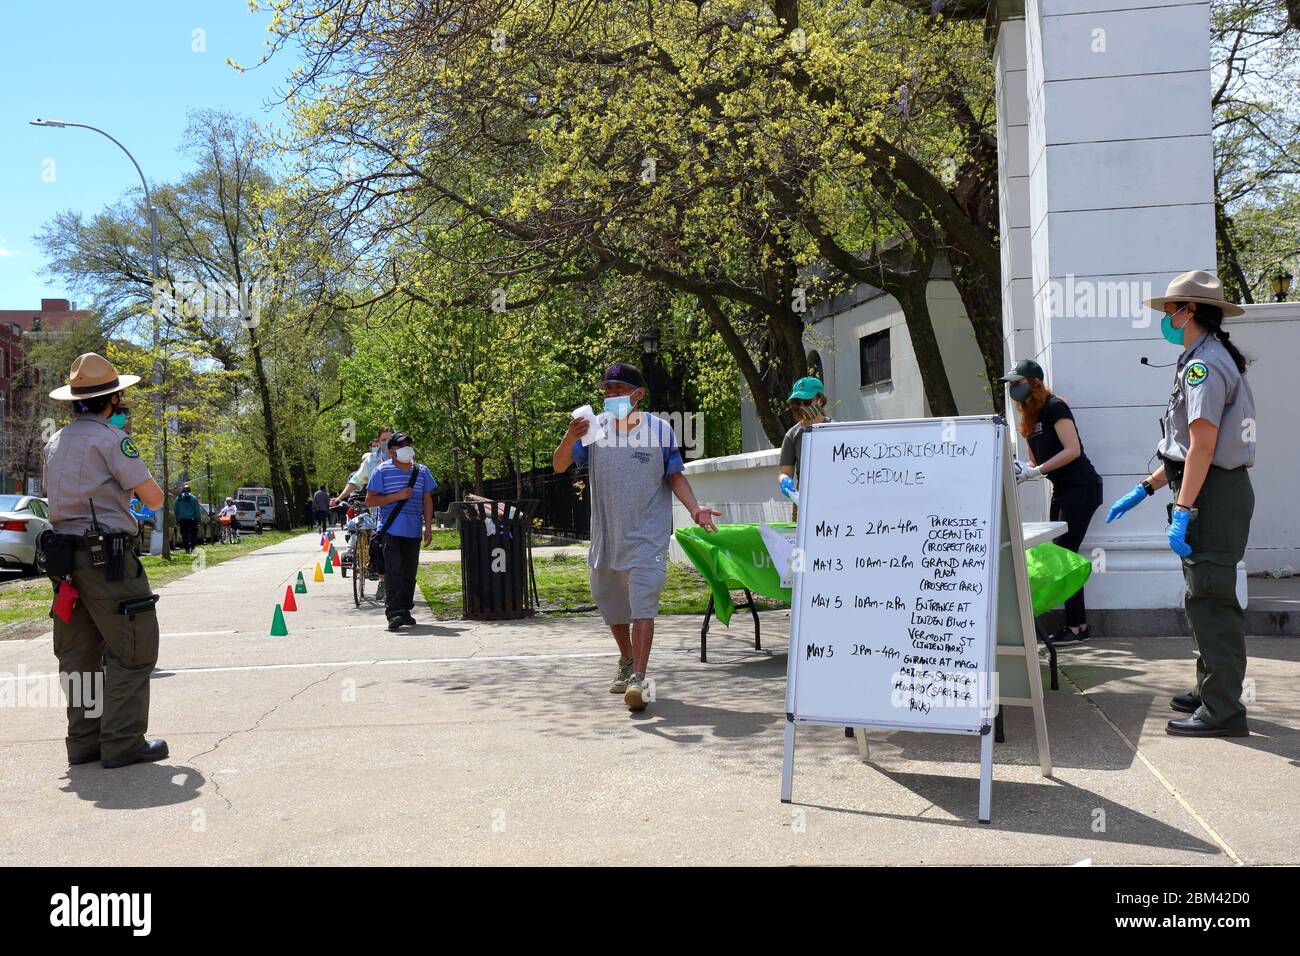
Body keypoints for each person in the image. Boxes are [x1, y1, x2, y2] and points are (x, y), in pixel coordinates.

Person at [1106, 271, 1256, 738]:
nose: (1166, 318)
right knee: (1201, 597)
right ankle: (1211, 687)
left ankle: (1224, 710)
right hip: (1205, 490)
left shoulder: (1203, 365)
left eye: (1171, 309)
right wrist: (1146, 488)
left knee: (1211, 600)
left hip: (1212, 494)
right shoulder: (1202, 357)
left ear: (1189, 311)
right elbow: (1183, 452)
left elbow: (1203, 447)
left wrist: (1185, 509)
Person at [554, 362, 720, 712]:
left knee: (643, 604)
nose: (611, 395)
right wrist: (570, 436)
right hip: (607, 536)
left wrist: (695, 509)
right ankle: (626, 658)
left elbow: (674, 476)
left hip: (648, 534)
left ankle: (640, 679)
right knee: (609, 600)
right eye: (607, 390)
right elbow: (558, 465)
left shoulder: (660, 430)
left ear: (638, 394)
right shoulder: (594, 429)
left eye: (618, 389)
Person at [42, 353, 168, 769]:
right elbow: (154, 498)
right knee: (134, 650)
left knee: (78, 655)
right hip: (108, 562)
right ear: (112, 400)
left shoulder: (54, 442)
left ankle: (84, 742)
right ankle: (123, 741)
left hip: (65, 563)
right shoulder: (112, 440)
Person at [1001, 359, 1103, 643]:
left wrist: (1037, 470)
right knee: (1063, 554)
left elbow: (1072, 450)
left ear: (1033, 382)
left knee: (1066, 553)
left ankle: (1076, 627)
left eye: (1016, 384)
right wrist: (1023, 469)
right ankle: (1078, 625)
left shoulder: (1055, 406)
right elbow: (1036, 461)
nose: (1012, 390)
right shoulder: (1029, 417)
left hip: (1082, 487)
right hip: (1061, 489)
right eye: (1010, 385)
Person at [365, 432, 436, 631]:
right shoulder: (381, 471)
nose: (408, 448)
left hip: (413, 531)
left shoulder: (422, 471)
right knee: (394, 571)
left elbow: (427, 499)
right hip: (390, 530)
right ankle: (394, 613)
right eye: (403, 445)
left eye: (409, 444)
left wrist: (428, 527)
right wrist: (398, 496)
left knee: (409, 574)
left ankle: (405, 610)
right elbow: (370, 500)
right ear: (392, 451)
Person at [778, 376, 831, 517]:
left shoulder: (837, 430)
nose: (801, 407)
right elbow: (784, 472)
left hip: (835, 501)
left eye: (807, 401)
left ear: (820, 400)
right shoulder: (792, 435)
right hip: (804, 503)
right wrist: (785, 481)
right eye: (797, 403)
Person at [174, 484, 202, 553]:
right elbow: (197, 510)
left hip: (183, 519)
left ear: (183, 490)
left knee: (184, 535)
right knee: (193, 534)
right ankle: (192, 547)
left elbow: (175, 509)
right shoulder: (193, 498)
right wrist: (198, 519)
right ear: (190, 490)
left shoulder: (178, 498)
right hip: (192, 519)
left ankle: (186, 549)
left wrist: (177, 519)